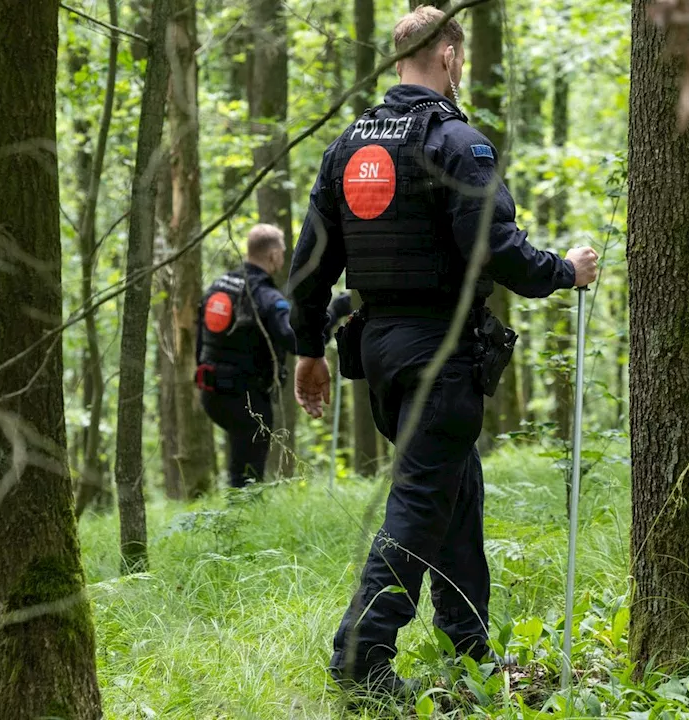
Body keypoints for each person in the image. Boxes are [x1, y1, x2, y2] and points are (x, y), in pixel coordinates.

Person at [287, 5, 599, 696]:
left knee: (456, 490)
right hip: (441, 350)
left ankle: (469, 648)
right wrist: (564, 269)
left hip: (384, 351)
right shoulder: (457, 141)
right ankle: (361, 655)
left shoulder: (350, 148)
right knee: (422, 499)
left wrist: (309, 350)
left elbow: (309, 265)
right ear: (451, 57)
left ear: (399, 59)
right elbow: (498, 248)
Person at [195, 224, 296, 489]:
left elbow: (200, 337)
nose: (283, 257)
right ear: (273, 255)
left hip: (211, 393)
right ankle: (243, 521)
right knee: (248, 478)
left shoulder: (218, 286)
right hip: (247, 400)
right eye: (283, 252)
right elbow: (296, 340)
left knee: (239, 464)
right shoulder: (266, 296)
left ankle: (235, 518)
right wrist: (332, 315)